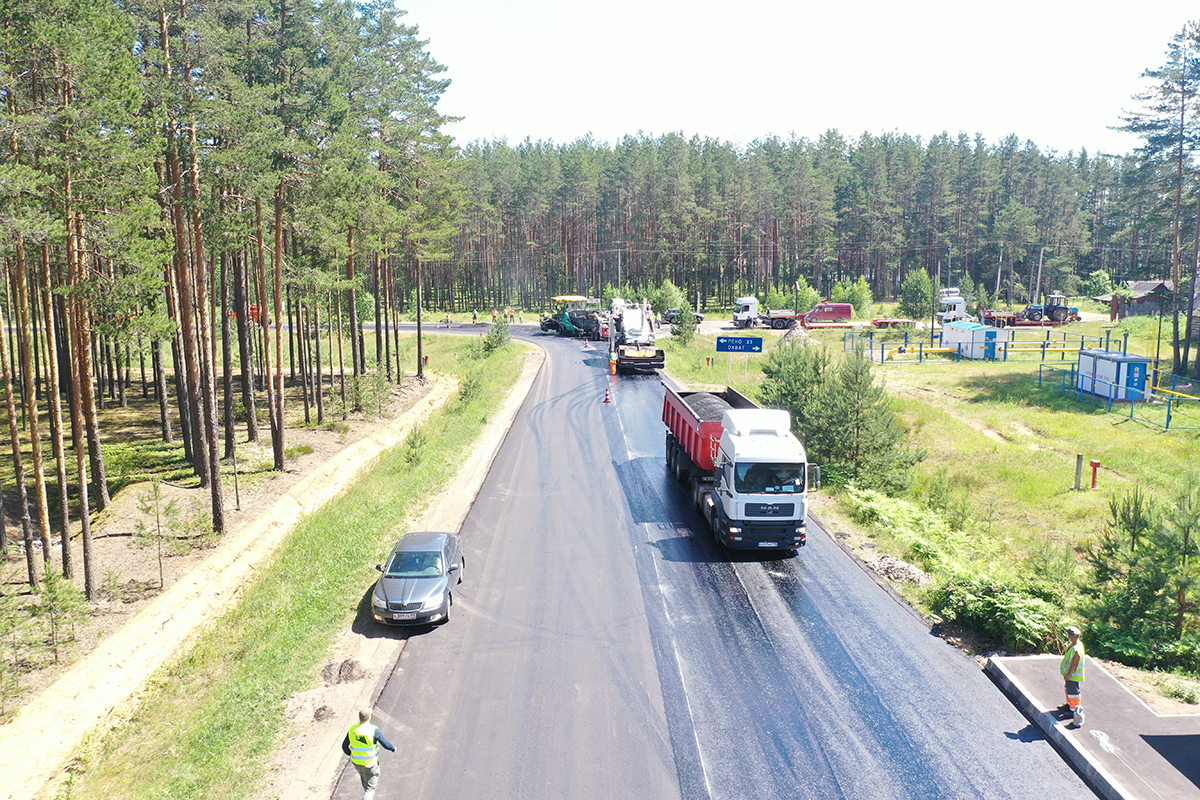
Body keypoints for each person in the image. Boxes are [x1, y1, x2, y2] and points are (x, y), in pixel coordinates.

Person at [342, 707, 396, 800]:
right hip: (370, 764)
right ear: (369, 718)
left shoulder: (352, 730)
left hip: (357, 763)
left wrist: (352, 754)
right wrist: (393, 748)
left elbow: (344, 747)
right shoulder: (373, 730)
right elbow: (385, 743)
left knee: (365, 782)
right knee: (370, 790)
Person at [1060, 626, 1086, 727]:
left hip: (1073, 676)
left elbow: (1074, 664)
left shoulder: (1077, 649)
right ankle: (1069, 706)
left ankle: (1073, 711)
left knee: (1073, 694)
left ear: (1071, 635)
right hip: (1070, 675)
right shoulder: (1076, 644)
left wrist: (1068, 674)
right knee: (1068, 690)